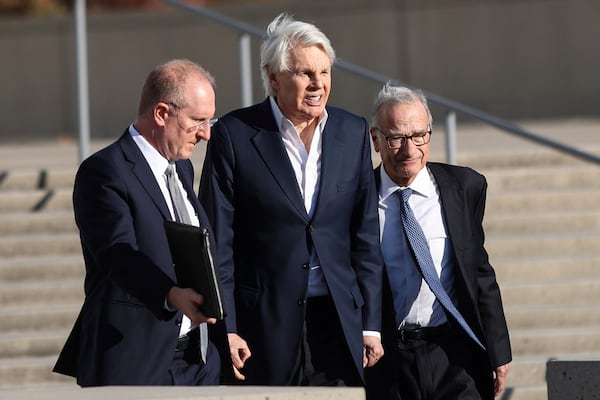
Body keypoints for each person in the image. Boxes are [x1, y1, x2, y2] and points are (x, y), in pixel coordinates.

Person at [199, 13, 384, 386]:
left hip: (337, 322)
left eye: (325, 73)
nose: (318, 84)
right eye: (305, 73)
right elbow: (217, 243)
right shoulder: (235, 135)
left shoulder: (353, 132)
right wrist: (227, 327)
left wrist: (370, 325)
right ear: (273, 77)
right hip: (262, 328)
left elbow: (364, 236)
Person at [53, 59, 223, 386]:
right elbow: (118, 254)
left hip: (199, 363)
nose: (206, 133)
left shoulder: (181, 167)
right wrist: (171, 294)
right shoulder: (104, 172)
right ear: (162, 113)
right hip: (137, 362)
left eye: (210, 120)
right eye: (198, 121)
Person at [365, 83, 511, 400]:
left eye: (419, 136)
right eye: (396, 138)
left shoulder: (463, 187)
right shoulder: (356, 199)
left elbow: (480, 272)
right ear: (376, 140)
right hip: (388, 360)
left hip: (452, 352)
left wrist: (498, 349)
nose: (409, 149)